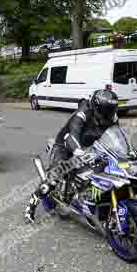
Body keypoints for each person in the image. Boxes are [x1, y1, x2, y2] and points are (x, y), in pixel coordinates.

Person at [24, 89, 120, 223]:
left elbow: (116, 136)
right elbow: (73, 133)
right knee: (54, 178)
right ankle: (31, 207)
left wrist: (125, 152)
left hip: (91, 147)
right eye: (105, 110)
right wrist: (78, 152)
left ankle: (93, 200)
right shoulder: (82, 114)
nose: (107, 114)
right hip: (65, 145)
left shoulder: (112, 117)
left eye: (110, 110)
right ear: (96, 106)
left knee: (106, 170)